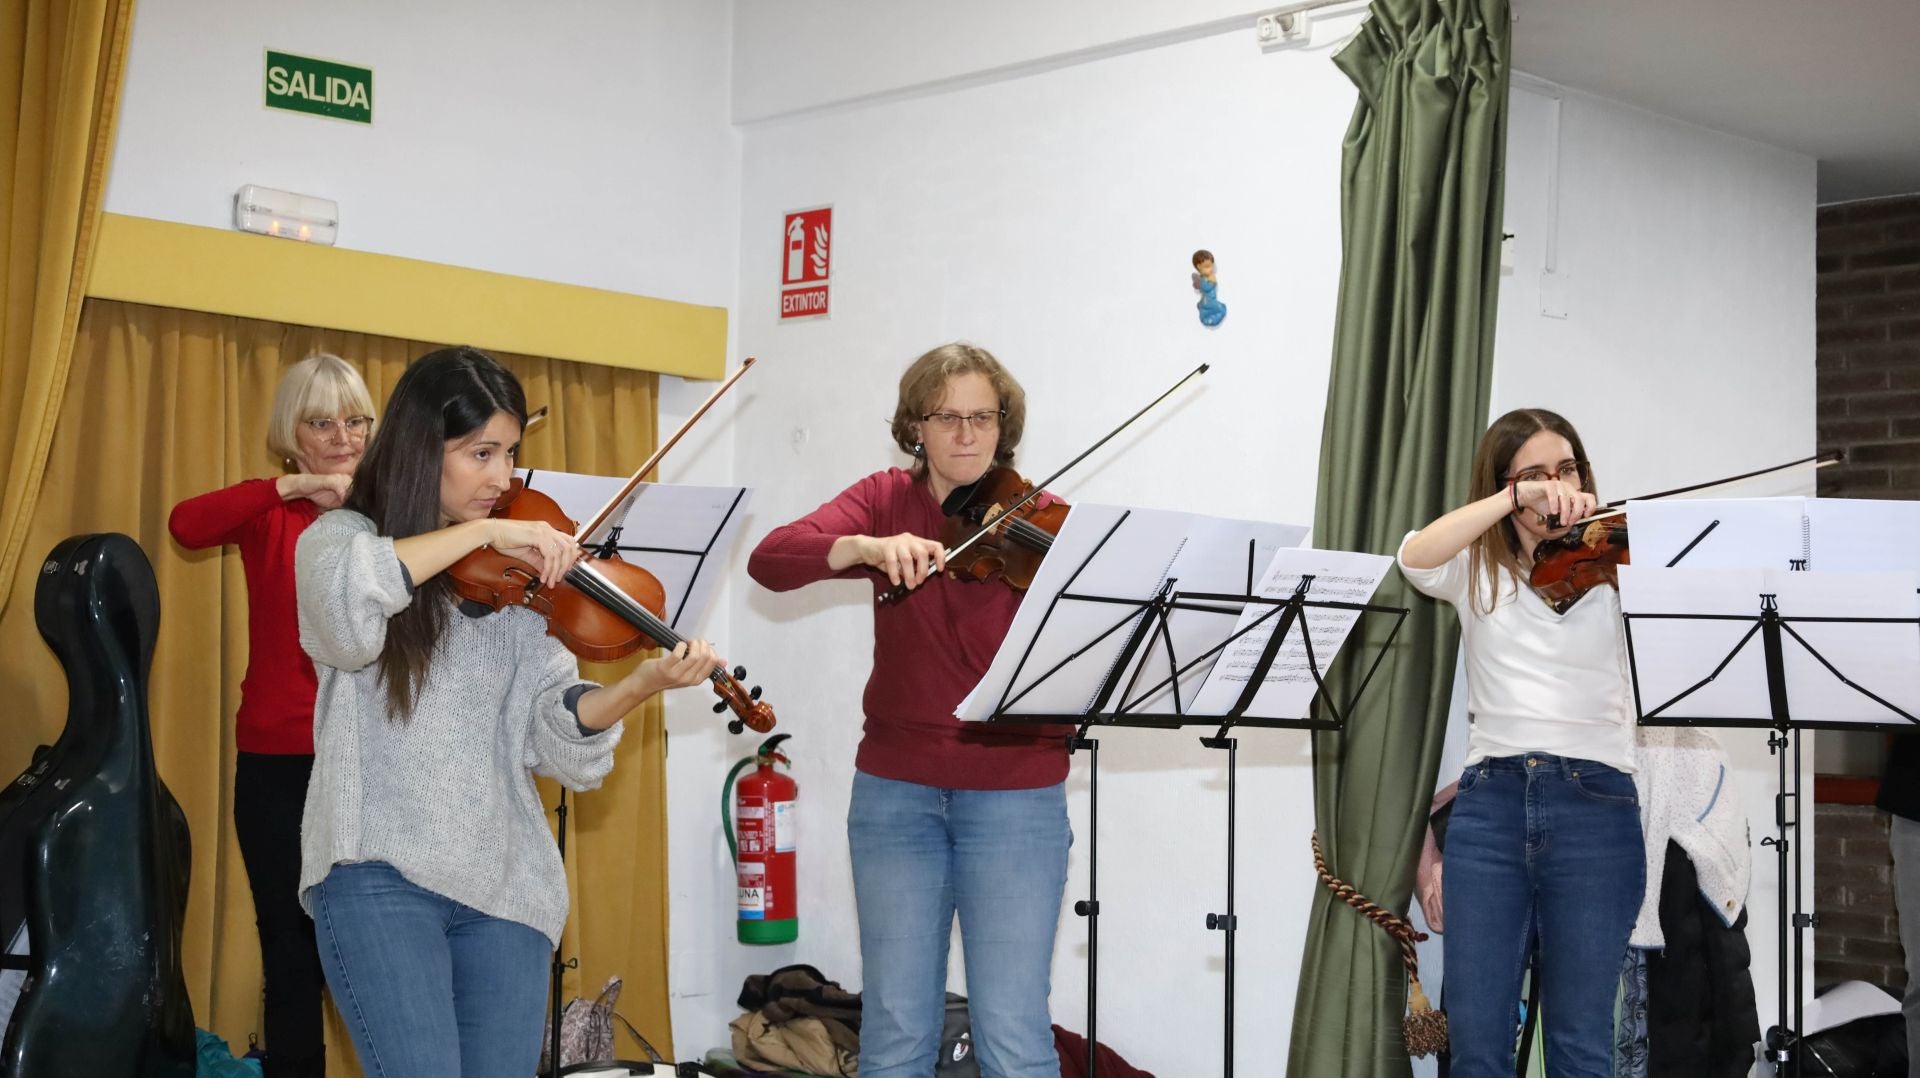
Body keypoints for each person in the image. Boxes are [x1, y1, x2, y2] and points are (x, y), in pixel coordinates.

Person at [293, 345, 718, 1078]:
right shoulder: (342, 542)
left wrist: (640, 685)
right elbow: (346, 620)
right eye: (480, 453)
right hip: (378, 874)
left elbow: (555, 733)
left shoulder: (519, 587)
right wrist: (484, 533)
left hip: (508, 890)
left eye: (511, 453)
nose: (502, 478)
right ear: (425, 449)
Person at [747, 342, 1071, 1078]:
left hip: (1016, 793)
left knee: (1013, 1034)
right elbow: (772, 558)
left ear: (1002, 426)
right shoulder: (886, 498)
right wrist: (860, 544)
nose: (966, 434)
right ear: (915, 425)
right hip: (897, 793)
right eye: (947, 416)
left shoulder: (1040, 518)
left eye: (982, 417)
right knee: (895, 1030)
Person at [1398, 407, 1643, 1078]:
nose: (1553, 486)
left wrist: (1621, 539)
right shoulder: (1476, 567)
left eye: (1565, 469)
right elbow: (1413, 555)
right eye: (1534, 474)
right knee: (1477, 1042)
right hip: (1491, 806)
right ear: (1504, 486)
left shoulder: (1617, 560)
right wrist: (1514, 500)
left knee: (1580, 1045)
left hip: (1597, 803)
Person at [167, 352, 376, 1078]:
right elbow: (186, 525)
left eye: (357, 420)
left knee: (375, 950)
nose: (344, 438)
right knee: (289, 953)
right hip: (278, 763)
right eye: (322, 422)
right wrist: (291, 485)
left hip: (370, 761)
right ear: (292, 432)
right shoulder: (270, 515)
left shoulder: (392, 515)